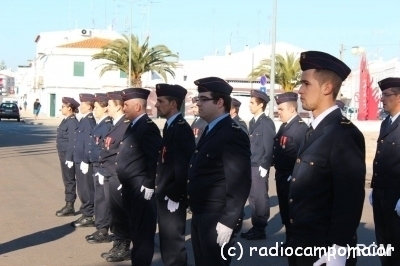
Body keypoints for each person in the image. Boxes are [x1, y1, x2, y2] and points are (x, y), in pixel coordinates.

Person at [288, 51, 365, 266]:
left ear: (327, 88)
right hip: (302, 244)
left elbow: (349, 197)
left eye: (305, 84)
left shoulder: (344, 135)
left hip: (324, 250)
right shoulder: (313, 130)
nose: (299, 90)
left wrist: (339, 248)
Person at [187, 76, 251, 266]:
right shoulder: (210, 129)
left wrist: (229, 221)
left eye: (203, 99)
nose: (198, 104)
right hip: (201, 214)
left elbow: (239, 182)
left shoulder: (232, 134)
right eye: (197, 99)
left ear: (220, 102)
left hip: (217, 217)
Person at [116, 88, 162, 266]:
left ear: (137, 106)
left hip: (141, 189)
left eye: (126, 105)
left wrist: (149, 184)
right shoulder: (133, 125)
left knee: (142, 235)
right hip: (130, 188)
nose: (123, 108)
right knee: (135, 231)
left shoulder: (147, 128)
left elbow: (154, 158)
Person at [154, 83, 195, 266]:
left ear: (173, 104)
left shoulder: (181, 129)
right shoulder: (171, 126)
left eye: (161, 101)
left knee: (173, 242)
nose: (156, 105)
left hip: (173, 195)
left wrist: (177, 194)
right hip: (166, 191)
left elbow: (183, 165)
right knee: (167, 240)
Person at [97, 91, 131, 262]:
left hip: (118, 175)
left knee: (120, 213)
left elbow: (123, 153)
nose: (107, 108)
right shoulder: (115, 125)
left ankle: (123, 246)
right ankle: (118, 243)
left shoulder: (125, 125)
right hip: (109, 173)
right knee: (113, 212)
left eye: (109, 105)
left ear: (118, 106)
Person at [370, 77, 400, 266]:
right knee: (383, 240)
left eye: (387, 95)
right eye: (382, 95)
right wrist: (375, 187)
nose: (382, 99)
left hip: (397, 193)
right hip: (382, 191)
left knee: (396, 242)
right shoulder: (386, 122)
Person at [272, 92, 307, 249]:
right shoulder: (285, 126)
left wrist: (294, 176)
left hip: (291, 178)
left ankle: (295, 244)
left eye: (281, 109)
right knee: (285, 211)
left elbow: (304, 156)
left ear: (292, 109)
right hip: (281, 176)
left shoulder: (300, 129)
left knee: (293, 213)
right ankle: (289, 241)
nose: (278, 112)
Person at [241, 90, 275, 240]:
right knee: (253, 197)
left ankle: (260, 228)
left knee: (260, 197)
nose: (249, 105)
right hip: (251, 164)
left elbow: (269, 145)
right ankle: (256, 226)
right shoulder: (253, 122)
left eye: (252, 103)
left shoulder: (266, 123)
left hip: (259, 165)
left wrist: (265, 165)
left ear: (261, 105)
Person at [85, 93, 113, 243]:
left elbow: (105, 148)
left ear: (105, 108)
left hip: (102, 166)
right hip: (96, 165)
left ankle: (103, 230)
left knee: (102, 199)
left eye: (96, 107)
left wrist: (101, 167)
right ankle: (100, 227)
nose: (94, 109)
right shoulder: (100, 123)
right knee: (98, 198)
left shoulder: (107, 125)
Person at [70, 94, 97, 228]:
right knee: (82, 188)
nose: (80, 106)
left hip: (84, 161)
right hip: (80, 159)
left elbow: (89, 143)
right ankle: (86, 212)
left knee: (86, 189)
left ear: (89, 106)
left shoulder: (88, 121)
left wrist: (86, 160)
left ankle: (88, 215)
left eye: (83, 104)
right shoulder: (84, 120)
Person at [55, 97, 79, 217]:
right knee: (66, 179)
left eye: (63, 106)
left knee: (69, 180)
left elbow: (72, 142)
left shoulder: (72, 122)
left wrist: (69, 158)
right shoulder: (67, 120)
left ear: (70, 108)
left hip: (68, 155)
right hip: (63, 154)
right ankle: (69, 204)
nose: (61, 108)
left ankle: (70, 206)